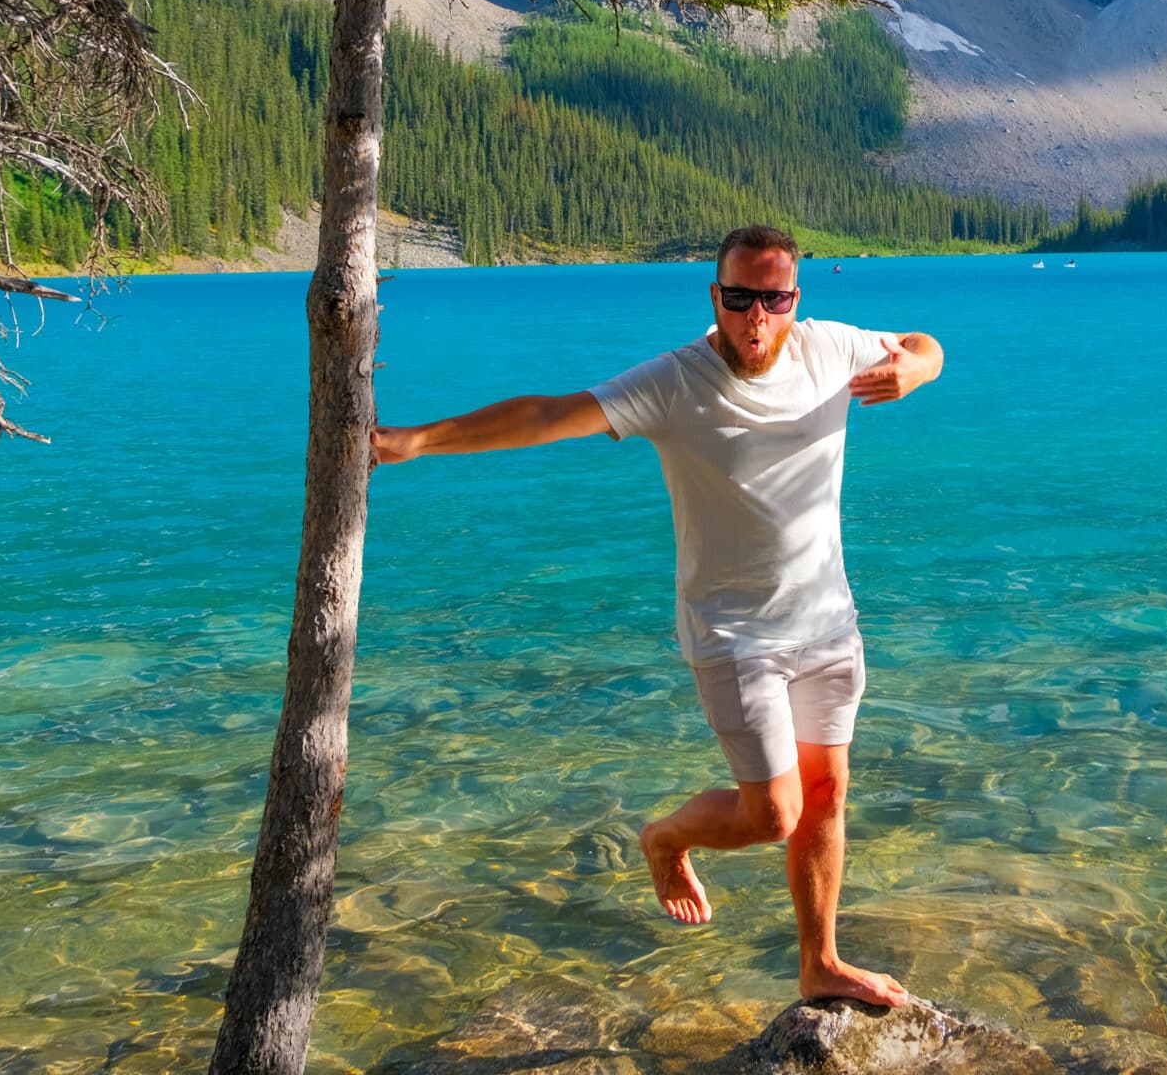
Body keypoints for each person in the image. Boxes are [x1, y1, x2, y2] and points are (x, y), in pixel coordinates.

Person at [370, 224, 941, 1007]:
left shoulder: (833, 348)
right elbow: (547, 414)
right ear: (716, 297)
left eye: (773, 299)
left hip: (829, 625)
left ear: (794, 300)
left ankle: (820, 965)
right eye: (739, 298)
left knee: (828, 794)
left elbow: (923, 342)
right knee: (774, 813)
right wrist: (417, 440)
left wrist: (914, 367)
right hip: (734, 637)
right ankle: (665, 839)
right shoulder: (676, 383)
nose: (756, 317)